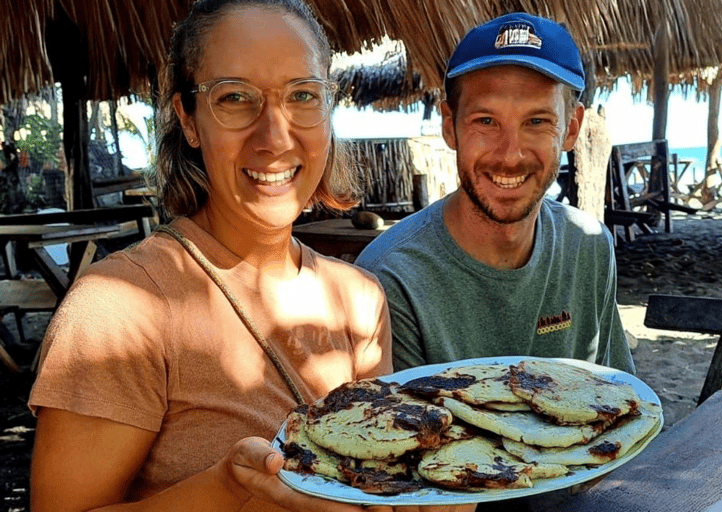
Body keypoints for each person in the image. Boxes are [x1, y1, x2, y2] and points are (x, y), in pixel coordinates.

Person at [27, 2, 473, 511]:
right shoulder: (120, 308)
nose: (274, 136)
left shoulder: (359, 298)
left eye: (303, 95)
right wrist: (229, 491)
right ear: (189, 121)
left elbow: (375, 477)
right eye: (235, 98)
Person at [355, 12, 635, 376]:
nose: (510, 155)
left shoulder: (589, 248)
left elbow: (617, 399)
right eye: (486, 121)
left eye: (537, 122)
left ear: (571, 129)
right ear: (449, 127)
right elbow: (400, 428)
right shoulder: (390, 277)